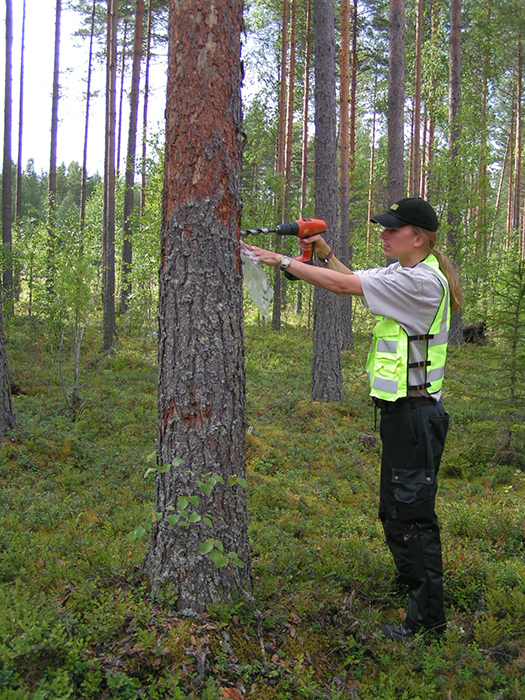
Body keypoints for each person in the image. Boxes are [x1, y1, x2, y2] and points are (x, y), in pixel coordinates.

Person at [241, 197, 462, 642]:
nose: (383, 233)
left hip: (416, 415)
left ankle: (427, 623)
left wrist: (283, 259)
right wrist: (323, 254)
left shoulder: (422, 283)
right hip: (403, 414)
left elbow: (344, 289)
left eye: (392, 229)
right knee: (394, 510)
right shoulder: (402, 273)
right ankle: (414, 590)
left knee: (412, 517)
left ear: (417, 238)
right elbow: (349, 278)